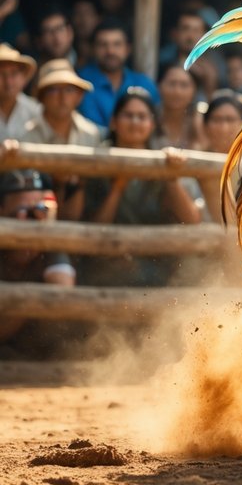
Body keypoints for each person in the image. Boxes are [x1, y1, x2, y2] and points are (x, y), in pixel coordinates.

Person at [81, 89, 201, 286]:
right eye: (128, 115)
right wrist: (118, 188)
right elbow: (95, 227)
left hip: (155, 259)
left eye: (142, 116)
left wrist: (170, 177)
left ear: (151, 125)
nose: (135, 122)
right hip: (105, 258)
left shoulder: (161, 161)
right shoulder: (97, 162)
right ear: (114, 122)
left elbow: (191, 219)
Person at [0, 169, 76, 352]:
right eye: (21, 211)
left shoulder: (48, 243)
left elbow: (63, 289)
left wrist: (45, 235)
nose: (32, 217)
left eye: (39, 210)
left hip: (33, 348)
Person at [18, 61, 101, 221]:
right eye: (54, 90)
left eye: (69, 90)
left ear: (79, 96)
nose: (62, 98)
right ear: (41, 97)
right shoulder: (26, 135)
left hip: (84, 216)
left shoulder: (91, 134)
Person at [77, 19, 159, 128]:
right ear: (93, 49)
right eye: (103, 44)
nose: (110, 51)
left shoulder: (144, 84)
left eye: (117, 44)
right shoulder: (80, 82)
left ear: (128, 49)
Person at [196, 91, 242, 223]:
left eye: (230, 119)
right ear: (205, 125)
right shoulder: (193, 161)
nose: (224, 127)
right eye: (217, 119)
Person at [155, 65, 202, 150]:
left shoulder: (201, 121)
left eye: (184, 85)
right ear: (159, 86)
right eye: (172, 84)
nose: (177, 92)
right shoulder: (149, 117)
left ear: (194, 90)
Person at [0, 44, 40, 141]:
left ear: (23, 78)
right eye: (1, 74)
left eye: (13, 73)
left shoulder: (36, 112)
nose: (8, 81)